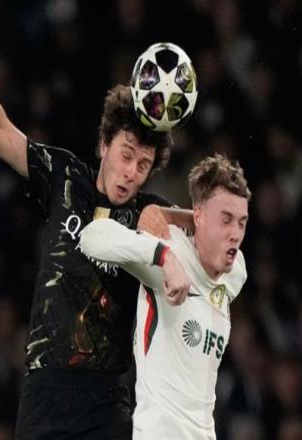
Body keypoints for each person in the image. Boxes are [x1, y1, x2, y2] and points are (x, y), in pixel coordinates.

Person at [0, 5, 193, 439]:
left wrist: (172, 222)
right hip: (45, 392)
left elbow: (207, 233)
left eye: (143, 165)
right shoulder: (67, 177)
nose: (131, 172)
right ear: (103, 144)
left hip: (108, 400)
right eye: (126, 155)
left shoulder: (150, 216)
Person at [80, 153, 252, 439]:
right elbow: (91, 237)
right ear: (199, 216)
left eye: (242, 223)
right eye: (226, 220)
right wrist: (164, 257)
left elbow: (209, 229)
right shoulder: (170, 249)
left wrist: (167, 213)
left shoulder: (236, 272)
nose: (235, 233)